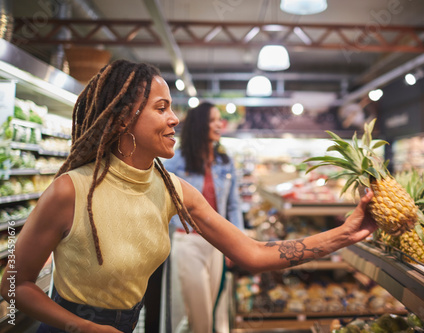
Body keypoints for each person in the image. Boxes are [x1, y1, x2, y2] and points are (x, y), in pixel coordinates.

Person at [0, 59, 377, 333]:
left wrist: (345, 232)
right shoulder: (71, 190)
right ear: (121, 120)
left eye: (172, 108)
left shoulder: (173, 190)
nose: (174, 118)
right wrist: (78, 326)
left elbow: (254, 254)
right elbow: (14, 285)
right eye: (161, 108)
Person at [163, 102, 243, 333]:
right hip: (188, 241)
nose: (220, 124)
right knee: (200, 314)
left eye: (220, 120)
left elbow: (233, 206)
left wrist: (236, 243)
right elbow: (161, 199)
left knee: (218, 309)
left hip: (219, 241)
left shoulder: (225, 162)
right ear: (199, 126)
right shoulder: (177, 160)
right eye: (213, 120)